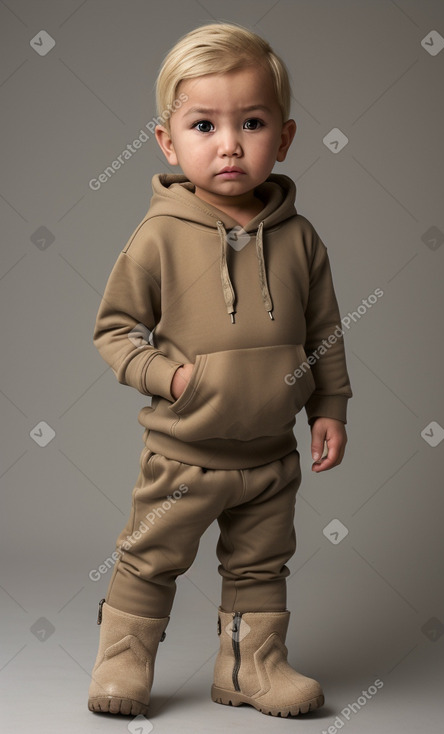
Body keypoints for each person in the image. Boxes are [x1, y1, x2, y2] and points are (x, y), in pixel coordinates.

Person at [88, 21, 352, 719]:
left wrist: (330, 406)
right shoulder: (158, 237)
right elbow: (114, 332)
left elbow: (325, 331)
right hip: (182, 455)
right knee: (150, 559)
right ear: (168, 142)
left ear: (285, 138)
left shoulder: (301, 240)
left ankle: (250, 667)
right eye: (204, 124)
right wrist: (171, 380)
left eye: (252, 122)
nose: (229, 143)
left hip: (271, 456)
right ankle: (122, 661)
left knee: (260, 567)